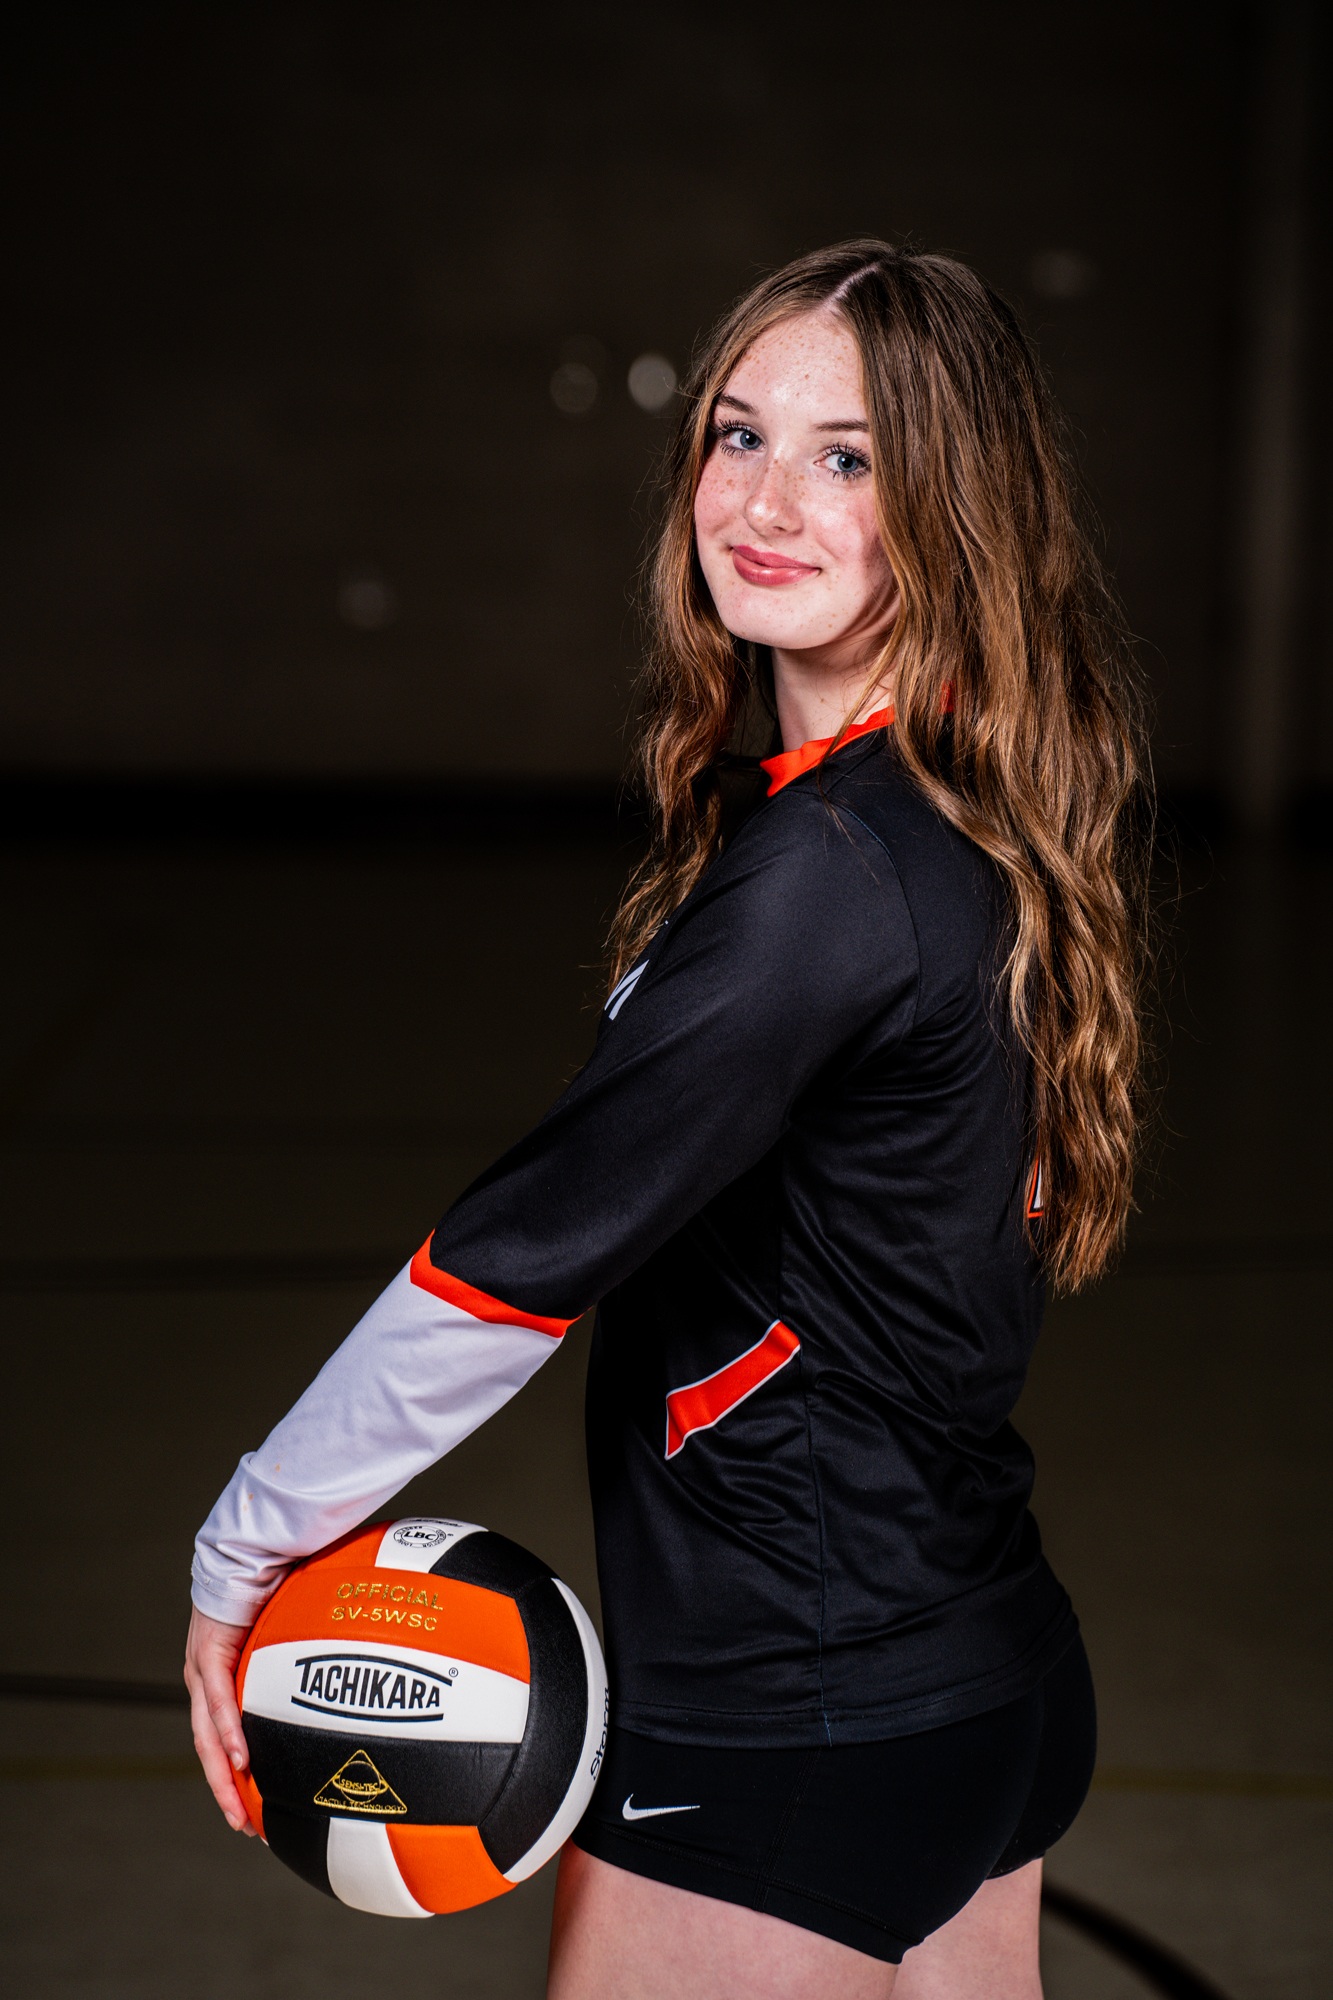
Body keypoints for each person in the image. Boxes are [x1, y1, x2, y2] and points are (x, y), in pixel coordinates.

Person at [185, 239, 1149, 1997]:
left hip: (793, 1722)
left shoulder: (831, 878)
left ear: (955, 506)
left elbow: (514, 1262)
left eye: (847, 458)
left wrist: (247, 1543)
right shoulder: (946, 804)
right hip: (981, 1676)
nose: (765, 502)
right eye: (737, 434)